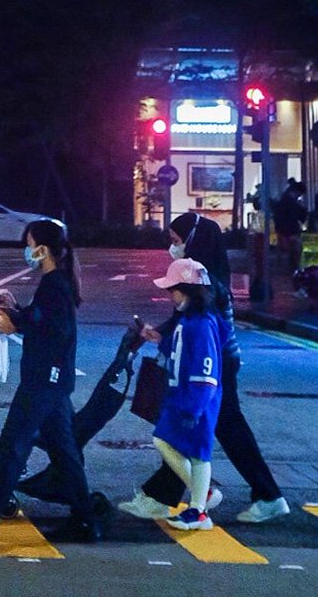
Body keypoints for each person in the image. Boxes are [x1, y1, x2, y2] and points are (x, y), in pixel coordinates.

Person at [119, 211, 289, 524]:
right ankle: (265, 495)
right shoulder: (209, 278)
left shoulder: (204, 283)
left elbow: (194, 321)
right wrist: (160, 334)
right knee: (219, 430)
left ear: (194, 240)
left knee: (184, 430)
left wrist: (162, 335)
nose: (173, 248)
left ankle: (185, 497)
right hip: (220, 363)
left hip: (211, 368)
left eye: (176, 241)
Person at [0, 219, 102, 543]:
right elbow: (42, 319)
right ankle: (85, 521)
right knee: (64, 451)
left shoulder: (55, 284)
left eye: (30, 244)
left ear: (42, 249)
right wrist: (16, 310)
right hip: (52, 380)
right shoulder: (56, 282)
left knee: (13, 444)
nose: (27, 250)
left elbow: (51, 329)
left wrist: (14, 324)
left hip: (45, 379)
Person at [147, 257, 223, 530]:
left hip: (196, 401)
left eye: (173, 289)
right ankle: (202, 497)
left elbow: (207, 371)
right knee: (165, 441)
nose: (170, 294)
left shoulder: (201, 325)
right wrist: (160, 341)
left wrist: (195, 407)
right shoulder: (189, 321)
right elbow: (179, 351)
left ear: (188, 290)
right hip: (183, 398)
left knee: (198, 455)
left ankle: (198, 511)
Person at [273, 180, 307, 273]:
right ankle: (296, 268)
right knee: (297, 247)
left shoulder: (283, 200)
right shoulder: (292, 203)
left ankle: (294, 267)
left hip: (283, 230)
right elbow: (300, 216)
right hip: (289, 231)